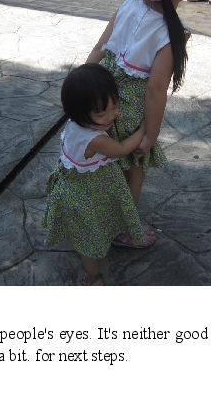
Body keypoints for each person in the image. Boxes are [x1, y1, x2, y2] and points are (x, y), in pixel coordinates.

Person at [85, 0, 207, 247]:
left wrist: (82, 88)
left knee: (105, 163)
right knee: (134, 171)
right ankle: (121, 229)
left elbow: (99, 48)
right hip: (127, 113)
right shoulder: (170, 32)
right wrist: (150, 135)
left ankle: (96, 213)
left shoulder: (128, 4)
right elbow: (155, 90)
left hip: (101, 98)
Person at [43, 65, 148, 285]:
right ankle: (92, 276)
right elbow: (122, 149)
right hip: (87, 194)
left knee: (89, 229)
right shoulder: (95, 139)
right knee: (89, 238)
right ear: (80, 112)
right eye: (101, 114)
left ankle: (110, 238)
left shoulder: (74, 124)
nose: (111, 116)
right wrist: (143, 131)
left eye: (115, 106)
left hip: (74, 186)